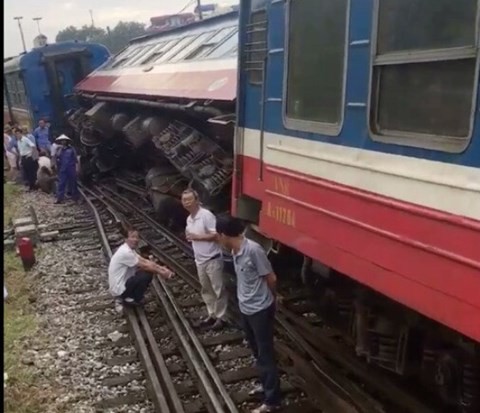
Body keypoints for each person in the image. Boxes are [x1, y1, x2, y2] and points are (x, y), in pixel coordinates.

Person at [216, 215, 282, 413]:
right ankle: (265, 385)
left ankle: (272, 401)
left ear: (223, 235)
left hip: (260, 310)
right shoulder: (235, 250)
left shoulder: (253, 250)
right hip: (246, 309)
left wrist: (273, 298)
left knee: (265, 354)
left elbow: (271, 277)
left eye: (218, 236)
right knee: (256, 351)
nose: (218, 240)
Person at [181, 189, 228, 330]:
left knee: (218, 289)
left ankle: (222, 317)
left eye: (190, 199)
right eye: (184, 200)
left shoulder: (206, 215)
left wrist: (197, 237)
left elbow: (216, 235)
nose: (187, 203)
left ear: (197, 200)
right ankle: (212, 314)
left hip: (212, 258)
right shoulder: (189, 219)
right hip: (200, 260)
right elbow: (192, 235)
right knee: (206, 289)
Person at [108, 227, 174, 310]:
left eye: (137, 237)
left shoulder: (129, 250)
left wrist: (162, 269)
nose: (135, 240)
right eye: (132, 237)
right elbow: (145, 266)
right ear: (126, 239)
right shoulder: (125, 252)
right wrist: (162, 273)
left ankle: (132, 296)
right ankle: (129, 297)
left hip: (123, 282)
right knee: (145, 274)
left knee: (146, 271)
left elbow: (145, 261)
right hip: (119, 289)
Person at [54, 135, 79, 204]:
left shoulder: (71, 149)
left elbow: (75, 159)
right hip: (63, 169)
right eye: (62, 140)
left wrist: (77, 168)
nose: (63, 142)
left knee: (73, 184)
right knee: (61, 183)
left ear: (67, 141)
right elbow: (57, 159)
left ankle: (75, 198)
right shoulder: (59, 150)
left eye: (64, 140)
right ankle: (59, 199)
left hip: (71, 168)